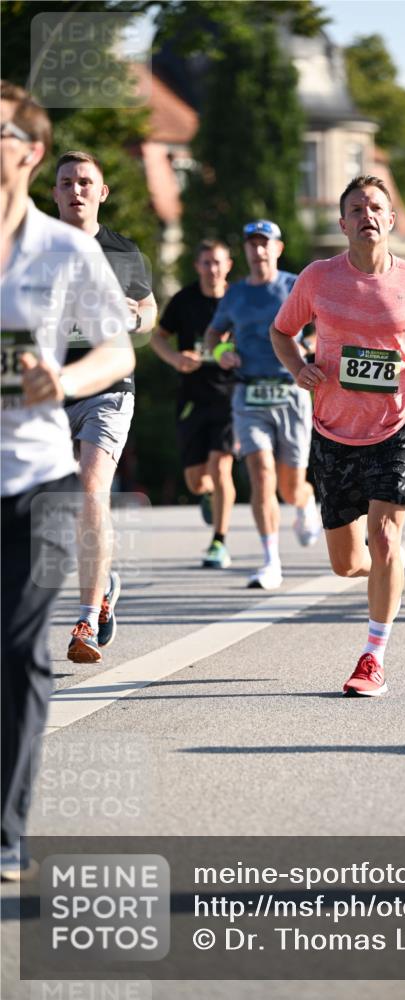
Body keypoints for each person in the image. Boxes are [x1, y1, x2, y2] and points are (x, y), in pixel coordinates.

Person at [1, 82, 135, 879]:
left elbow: (117, 352)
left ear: (31, 151)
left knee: (20, 651)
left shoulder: (65, 250)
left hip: (41, 477)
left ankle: (6, 830)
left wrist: (64, 377)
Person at [270, 175, 405, 696]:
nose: (366, 215)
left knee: (385, 539)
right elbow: (281, 331)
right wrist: (297, 366)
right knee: (348, 564)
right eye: (356, 208)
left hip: (395, 426)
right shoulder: (317, 278)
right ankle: (387, 568)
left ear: (390, 220)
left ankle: (372, 657)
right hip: (333, 430)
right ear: (342, 223)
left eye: (376, 207)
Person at [52, 150, 157, 661]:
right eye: (66, 182)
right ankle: (107, 583)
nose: (76, 190)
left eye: (85, 182)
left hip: (110, 386)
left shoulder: (124, 252)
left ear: (102, 192)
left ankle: (87, 620)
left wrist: (137, 321)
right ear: (53, 193)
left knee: (93, 488)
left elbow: (148, 307)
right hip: (48, 389)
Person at [205, 219, 321, 590]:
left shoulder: (294, 285)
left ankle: (305, 504)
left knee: (290, 487)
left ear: (278, 249)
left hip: (290, 390)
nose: (258, 251)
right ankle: (271, 562)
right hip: (248, 393)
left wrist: (312, 345)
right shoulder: (235, 294)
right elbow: (213, 333)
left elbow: (324, 324)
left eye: (265, 244)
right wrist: (222, 351)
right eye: (252, 244)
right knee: (261, 475)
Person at [151, 240, 236, 568]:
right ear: (197, 266)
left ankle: (219, 541)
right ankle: (208, 497)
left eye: (217, 262)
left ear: (228, 265)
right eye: (206, 263)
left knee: (221, 467)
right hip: (192, 398)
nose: (212, 269)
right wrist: (176, 359)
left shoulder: (239, 299)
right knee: (197, 481)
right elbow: (158, 337)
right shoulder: (184, 300)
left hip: (229, 396)